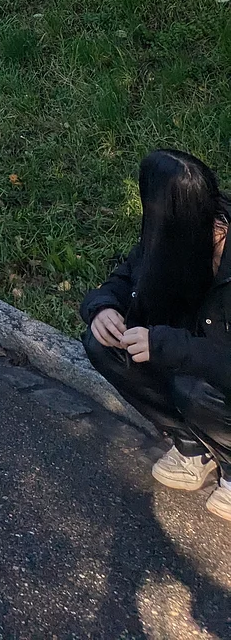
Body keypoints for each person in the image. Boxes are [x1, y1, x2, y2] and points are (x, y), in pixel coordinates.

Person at [82, 150, 231, 523]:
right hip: (192, 361)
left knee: (191, 387)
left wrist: (167, 345)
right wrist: (102, 308)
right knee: (102, 345)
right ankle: (194, 445)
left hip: (214, 375)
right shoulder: (175, 235)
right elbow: (126, 274)